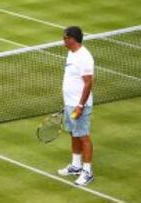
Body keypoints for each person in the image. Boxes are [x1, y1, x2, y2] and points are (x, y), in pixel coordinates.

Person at [58, 26, 95, 186]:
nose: (63, 40)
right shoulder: (71, 53)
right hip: (70, 104)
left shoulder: (84, 57)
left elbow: (88, 83)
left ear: (73, 39)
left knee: (83, 136)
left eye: (65, 37)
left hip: (80, 105)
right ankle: (76, 165)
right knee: (74, 133)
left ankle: (87, 171)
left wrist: (80, 105)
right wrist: (68, 103)